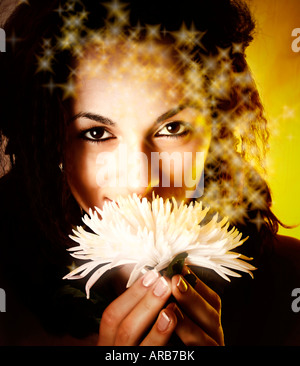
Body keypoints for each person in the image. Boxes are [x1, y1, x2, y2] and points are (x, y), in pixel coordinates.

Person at [0, 0, 299, 346]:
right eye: (97, 133)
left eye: (172, 128)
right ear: (54, 144)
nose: (141, 182)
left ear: (215, 131)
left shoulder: (291, 283)